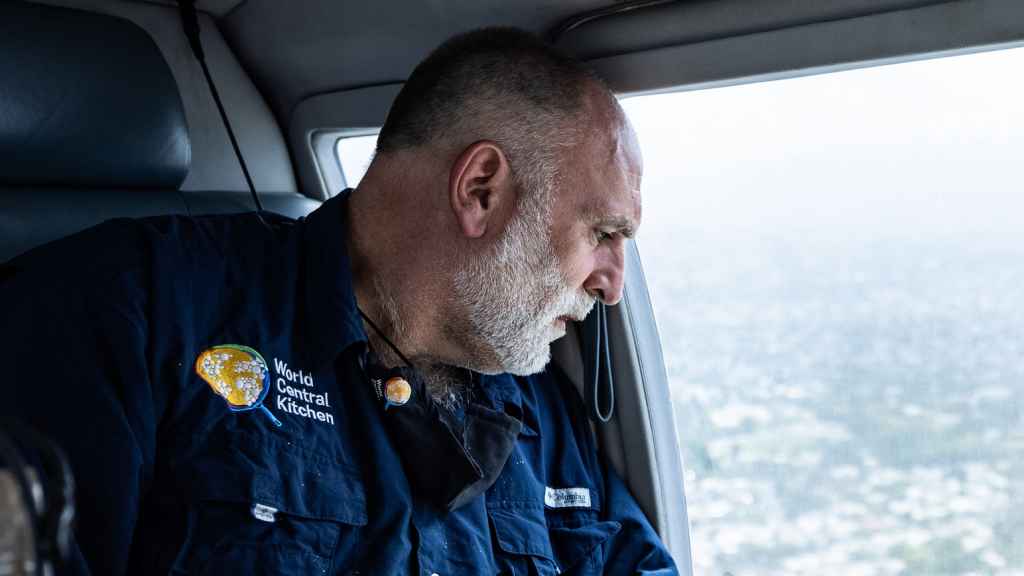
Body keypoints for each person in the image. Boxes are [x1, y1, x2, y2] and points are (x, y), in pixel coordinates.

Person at [0, 27, 677, 575]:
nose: (612, 282)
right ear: (481, 191)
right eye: (603, 234)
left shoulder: (530, 402)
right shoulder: (132, 311)